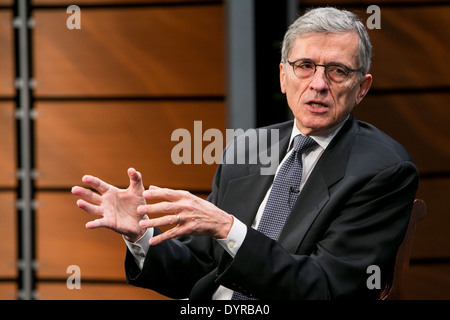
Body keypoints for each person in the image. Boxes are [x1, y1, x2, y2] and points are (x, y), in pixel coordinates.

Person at [72, 7, 418, 299]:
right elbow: (200, 270)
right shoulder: (248, 149)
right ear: (284, 77)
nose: (318, 84)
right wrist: (140, 236)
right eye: (305, 66)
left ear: (362, 88)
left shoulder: (383, 170)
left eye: (338, 71)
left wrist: (228, 229)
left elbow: (326, 287)